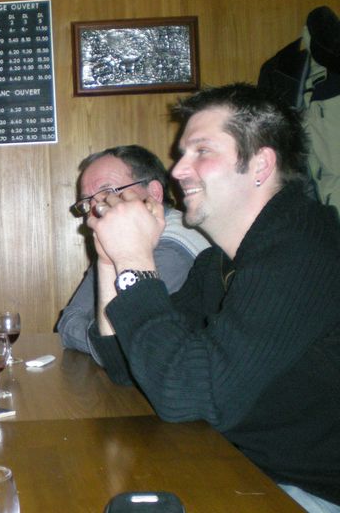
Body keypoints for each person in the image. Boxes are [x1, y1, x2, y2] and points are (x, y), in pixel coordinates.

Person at [87, 83, 340, 511]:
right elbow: (127, 366)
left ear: (260, 164)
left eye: (201, 151)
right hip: (242, 471)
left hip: (309, 494)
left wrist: (134, 259)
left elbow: (188, 394)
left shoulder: (302, 251)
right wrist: (111, 258)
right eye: (182, 154)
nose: (178, 170)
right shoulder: (217, 264)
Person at [56, 145, 209, 360]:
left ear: (154, 193)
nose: (95, 210)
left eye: (108, 193)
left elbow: (123, 346)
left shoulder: (173, 251)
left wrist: (95, 335)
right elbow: (69, 320)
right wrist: (97, 335)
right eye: (87, 201)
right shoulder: (117, 238)